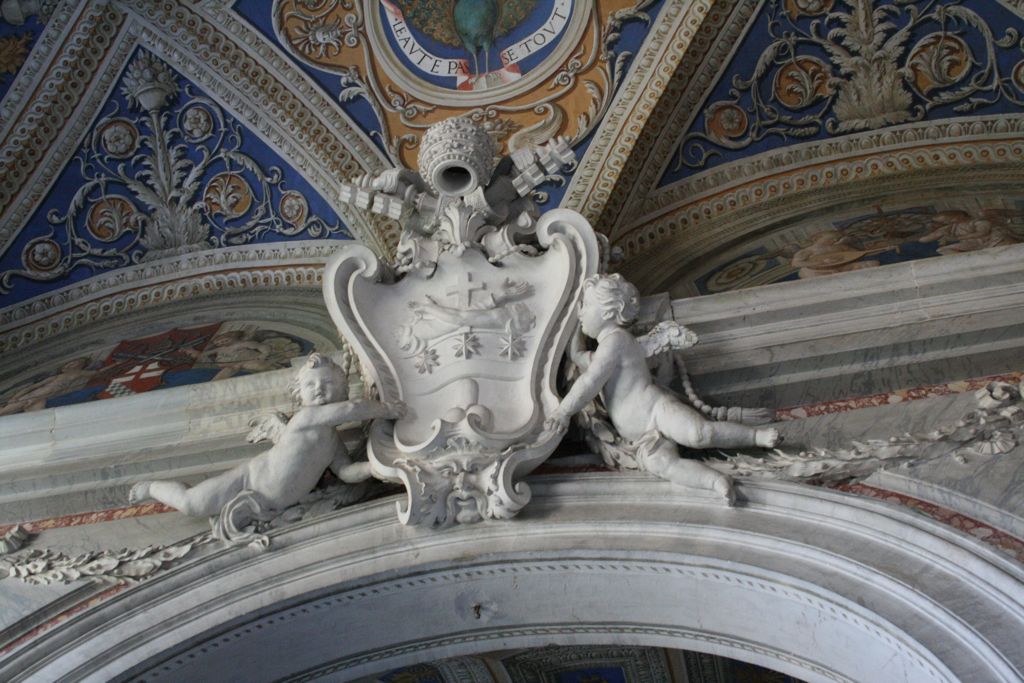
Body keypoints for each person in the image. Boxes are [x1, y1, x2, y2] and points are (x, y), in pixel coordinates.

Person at [544, 274, 780, 501]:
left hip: (657, 410)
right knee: (664, 466)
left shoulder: (616, 340)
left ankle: (756, 435)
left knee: (699, 433)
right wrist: (572, 323)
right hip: (642, 437)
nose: (581, 312)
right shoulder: (605, 350)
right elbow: (576, 355)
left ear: (608, 310)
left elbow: (590, 380)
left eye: (585, 306)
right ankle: (714, 481)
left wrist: (563, 412)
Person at [129, 353, 404, 516]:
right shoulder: (304, 419)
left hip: (266, 500)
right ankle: (151, 487)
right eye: (311, 384)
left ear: (343, 390)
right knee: (192, 504)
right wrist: (390, 409)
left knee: (195, 505)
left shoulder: (332, 442)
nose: (319, 389)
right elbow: (354, 409)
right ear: (299, 395)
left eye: (329, 383)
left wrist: (372, 467)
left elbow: (345, 472)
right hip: (249, 479)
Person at [0, 357, 96, 416]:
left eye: (78, 362)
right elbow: (31, 387)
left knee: (34, 418)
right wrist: (14, 398)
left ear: (82, 365)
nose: (72, 364)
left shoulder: (77, 374)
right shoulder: (57, 377)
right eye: (72, 362)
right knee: (4, 411)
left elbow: (96, 373)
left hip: (41, 399)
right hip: (31, 396)